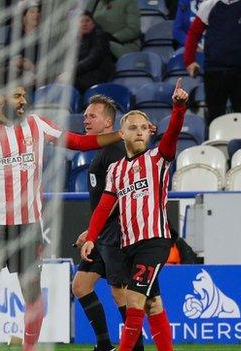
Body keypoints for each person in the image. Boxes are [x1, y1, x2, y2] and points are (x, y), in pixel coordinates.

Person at [0, 72, 127, 351]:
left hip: (27, 225)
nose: (24, 100)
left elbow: (76, 142)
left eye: (24, 95)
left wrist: (118, 135)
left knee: (32, 291)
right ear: (0, 97)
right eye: (18, 95)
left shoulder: (36, 125)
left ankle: (29, 347)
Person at [81, 78, 189, 351]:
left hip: (154, 241)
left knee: (134, 299)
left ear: (150, 133)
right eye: (133, 128)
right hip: (129, 245)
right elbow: (105, 206)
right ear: (122, 133)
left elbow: (174, 133)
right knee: (153, 304)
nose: (139, 132)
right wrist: (92, 236)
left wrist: (178, 108)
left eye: (144, 128)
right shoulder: (117, 170)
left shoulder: (158, 158)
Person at [71, 95, 145, 351]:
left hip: (117, 232)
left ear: (108, 122)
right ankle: (103, 345)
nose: (86, 119)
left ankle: (136, 347)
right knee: (81, 286)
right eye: (85, 115)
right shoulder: (103, 151)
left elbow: (118, 194)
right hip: (102, 233)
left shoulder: (115, 150)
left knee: (120, 291)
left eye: (92, 116)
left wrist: (95, 230)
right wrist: (91, 230)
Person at [184, 0, 241, 126]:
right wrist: (189, 61)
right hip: (214, 71)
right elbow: (194, 33)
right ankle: (214, 143)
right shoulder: (209, 5)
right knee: (215, 115)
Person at [71, 11, 115, 93]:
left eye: (87, 20)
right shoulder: (77, 40)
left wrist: (72, 70)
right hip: (82, 74)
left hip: (97, 75)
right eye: (81, 21)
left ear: (93, 24)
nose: (84, 24)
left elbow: (93, 59)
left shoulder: (100, 36)